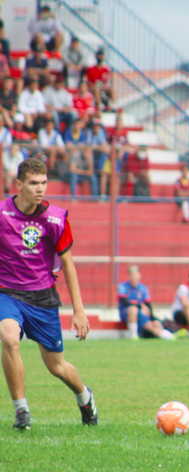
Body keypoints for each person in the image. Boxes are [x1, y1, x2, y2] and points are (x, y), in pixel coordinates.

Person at [0, 158, 98, 430]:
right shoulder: (1, 214)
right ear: (19, 185)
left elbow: (68, 264)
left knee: (57, 367)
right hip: (6, 292)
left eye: (44, 182)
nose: (40, 188)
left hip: (42, 298)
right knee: (9, 337)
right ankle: (22, 411)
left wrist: (79, 311)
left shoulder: (56, 218)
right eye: (33, 183)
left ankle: (84, 396)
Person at [118, 265, 180, 340]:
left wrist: (153, 318)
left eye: (135, 274)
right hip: (126, 313)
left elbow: (148, 304)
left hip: (140, 313)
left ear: (139, 275)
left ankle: (168, 335)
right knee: (133, 309)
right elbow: (125, 303)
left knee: (152, 324)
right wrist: (140, 306)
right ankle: (133, 335)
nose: (133, 277)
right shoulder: (123, 286)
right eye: (131, 275)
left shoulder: (143, 288)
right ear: (128, 276)